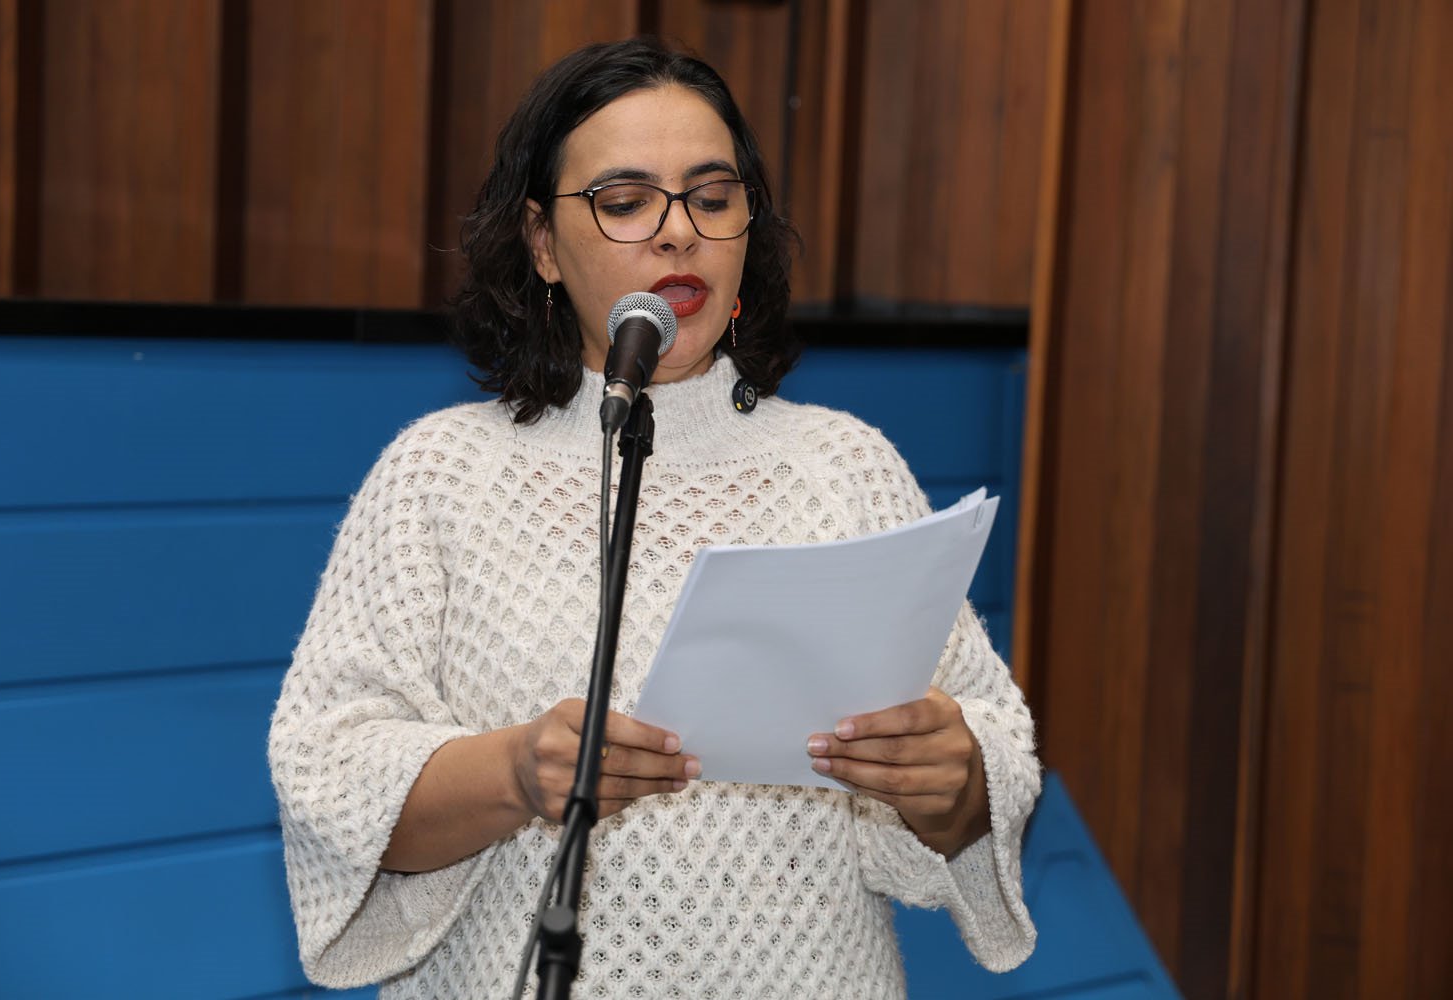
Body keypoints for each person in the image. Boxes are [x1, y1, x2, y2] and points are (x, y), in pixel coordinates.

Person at [269, 38, 1038, 999]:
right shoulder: (440, 472)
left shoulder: (845, 465)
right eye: (626, 201)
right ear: (542, 243)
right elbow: (329, 771)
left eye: (712, 198)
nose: (679, 234)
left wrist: (955, 780)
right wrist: (515, 773)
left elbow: (990, 750)